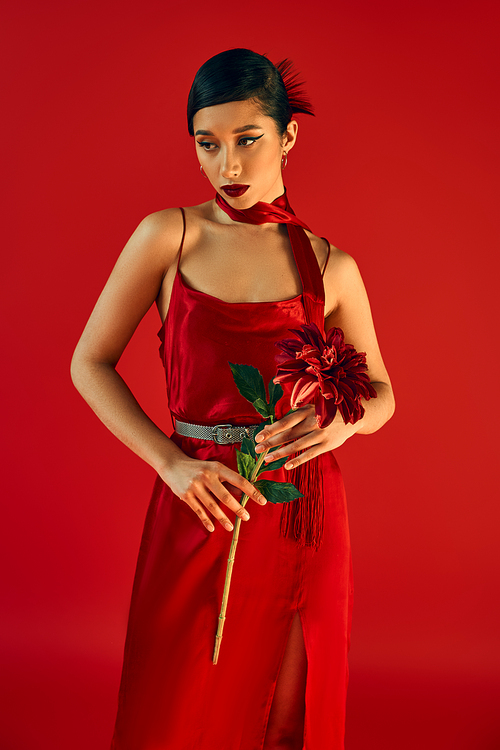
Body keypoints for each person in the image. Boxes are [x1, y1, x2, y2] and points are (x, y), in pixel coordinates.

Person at [71, 48, 395, 750]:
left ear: (288, 136)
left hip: (302, 515)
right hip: (198, 504)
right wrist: (171, 465)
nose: (230, 167)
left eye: (247, 140)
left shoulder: (329, 264)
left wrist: (339, 429)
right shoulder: (170, 235)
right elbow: (88, 363)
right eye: (207, 145)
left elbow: (383, 393)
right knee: (176, 707)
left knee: (287, 712)